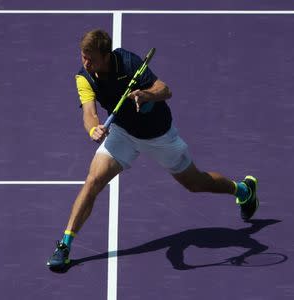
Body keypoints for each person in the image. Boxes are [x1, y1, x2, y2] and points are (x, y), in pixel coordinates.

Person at [46, 29, 259, 271]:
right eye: (83, 56)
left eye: (91, 58)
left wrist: (146, 95)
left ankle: (243, 189)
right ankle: (64, 245)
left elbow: (165, 90)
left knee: (195, 183)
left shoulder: (127, 62)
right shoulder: (84, 77)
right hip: (123, 133)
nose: (86, 62)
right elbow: (89, 112)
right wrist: (93, 129)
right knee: (93, 181)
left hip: (159, 135)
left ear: (106, 56)